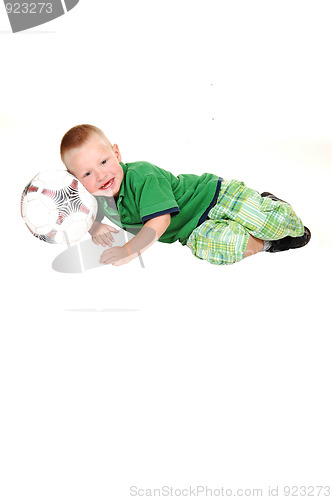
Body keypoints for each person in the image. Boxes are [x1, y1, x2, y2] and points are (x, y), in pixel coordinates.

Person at [60, 124, 310, 267]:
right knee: (228, 248)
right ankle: (269, 245)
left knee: (277, 224)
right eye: (88, 173)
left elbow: (160, 221)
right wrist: (94, 228)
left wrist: (129, 250)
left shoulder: (143, 176)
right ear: (75, 178)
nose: (101, 176)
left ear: (116, 152)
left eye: (104, 161)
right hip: (190, 231)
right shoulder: (95, 196)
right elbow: (77, 215)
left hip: (213, 197)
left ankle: (269, 206)